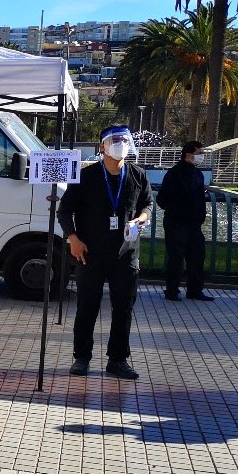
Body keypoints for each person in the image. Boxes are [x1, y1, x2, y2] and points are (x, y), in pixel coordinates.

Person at [57, 125, 153, 380]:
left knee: (124, 307)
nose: (120, 144)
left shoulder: (138, 175)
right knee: (87, 306)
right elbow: (64, 211)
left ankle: (118, 360)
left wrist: (141, 219)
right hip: (90, 252)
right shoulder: (85, 176)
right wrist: (73, 238)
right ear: (102, 146)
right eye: (114, 140)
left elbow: (147, 204)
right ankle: (82, 357)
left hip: (125, 253)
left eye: (124, 139)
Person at [157, 140, 214, 302]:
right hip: (176, 223)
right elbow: (162, 199)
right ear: (188, 155)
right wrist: (177, 209)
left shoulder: (198, 174)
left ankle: (195, 290)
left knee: (197, 256)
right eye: (199, 154)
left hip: (195, 225)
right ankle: (172, 291)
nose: (202, 157)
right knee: (176, 257)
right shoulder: (174, 173)